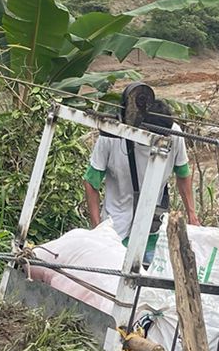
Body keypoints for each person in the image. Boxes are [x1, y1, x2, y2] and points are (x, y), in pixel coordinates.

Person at [84, 98, 196, 267]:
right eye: (156, 138)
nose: (162, 140)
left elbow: (183, 174)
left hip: (152, 227)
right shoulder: (112, 136)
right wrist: (97, 227)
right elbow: (91, 182)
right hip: (116, 229)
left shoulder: (173, 134)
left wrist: (192, 214)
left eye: (164, 137)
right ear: (141, 129)